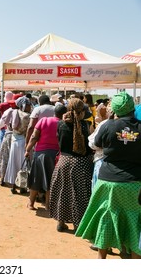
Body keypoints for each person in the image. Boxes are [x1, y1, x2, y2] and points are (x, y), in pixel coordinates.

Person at [75, 91, 141, 259]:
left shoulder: (107, 125)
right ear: (132, 108)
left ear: (116, 109)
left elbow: (94, 144)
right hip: (135, 183)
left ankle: (101, 258)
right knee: (135, 221)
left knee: (107, 217)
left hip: (108, 182)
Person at [49, 98, 93, 232]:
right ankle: (78, 224)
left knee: (63, 192)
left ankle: (61, 222)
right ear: (83, 111)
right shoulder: (86, 124)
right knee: (80, 194)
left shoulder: (61, 124)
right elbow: (91, 144)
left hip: (64, 161)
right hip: (82, 163)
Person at [25, 104, 67, 210]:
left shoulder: (44, 120)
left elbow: (34, 136)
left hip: (40, 154)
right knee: (51, 179)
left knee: (36, 177)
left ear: (54, 112)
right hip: (56, 155)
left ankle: (31, 203)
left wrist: (28, 149)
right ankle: (48, 204)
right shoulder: (64, 124)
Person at [4, 96, 32, 194]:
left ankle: (13, 186)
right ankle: (23, 186)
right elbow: (28, 131)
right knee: (22, 164)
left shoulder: (13, 112)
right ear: (24, 105)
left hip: (14, 140)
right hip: (23, 142)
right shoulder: (27, 116)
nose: (30, 107)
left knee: (13, 163)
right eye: (28, 105)